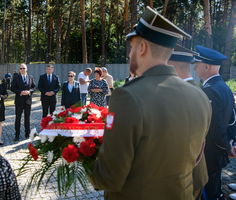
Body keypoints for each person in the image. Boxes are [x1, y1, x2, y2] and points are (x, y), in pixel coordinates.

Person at [88, 6, 212, 199]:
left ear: (143, 48)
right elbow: (196, 161)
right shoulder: (199, 96)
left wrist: (82, 155)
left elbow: (109, 178)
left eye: (132, 48)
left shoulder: (127, 96)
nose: (129, 55)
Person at [194, 45, 236, 200]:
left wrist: (225, 146)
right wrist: (231, 142)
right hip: (220, 149)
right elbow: (233, 118)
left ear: (206, 66)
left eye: (197, 64)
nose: (196, 68)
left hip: (211, 152)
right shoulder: (224, 87)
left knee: (209, 190)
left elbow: (214, 127)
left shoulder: (209, 90)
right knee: (214, 185)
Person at [168, 45, 208, 200]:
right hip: (195, 173)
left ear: (170, 65)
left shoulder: (179, 95)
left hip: (184, 178)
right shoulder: (197, 91)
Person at [11, 63, 36, 141]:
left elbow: (34, 87)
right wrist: (20, 92)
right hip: (19, 101)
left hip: (28, 101)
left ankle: (27, 134)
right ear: (19, 70)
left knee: (27, 118)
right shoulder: (16, 77)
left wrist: (29, 91)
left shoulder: (30, 77)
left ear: (26, 69)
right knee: (18, 118)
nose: (22, 70)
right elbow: (12, 88)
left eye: (24, 68)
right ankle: (17, 135)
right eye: (21, 68)